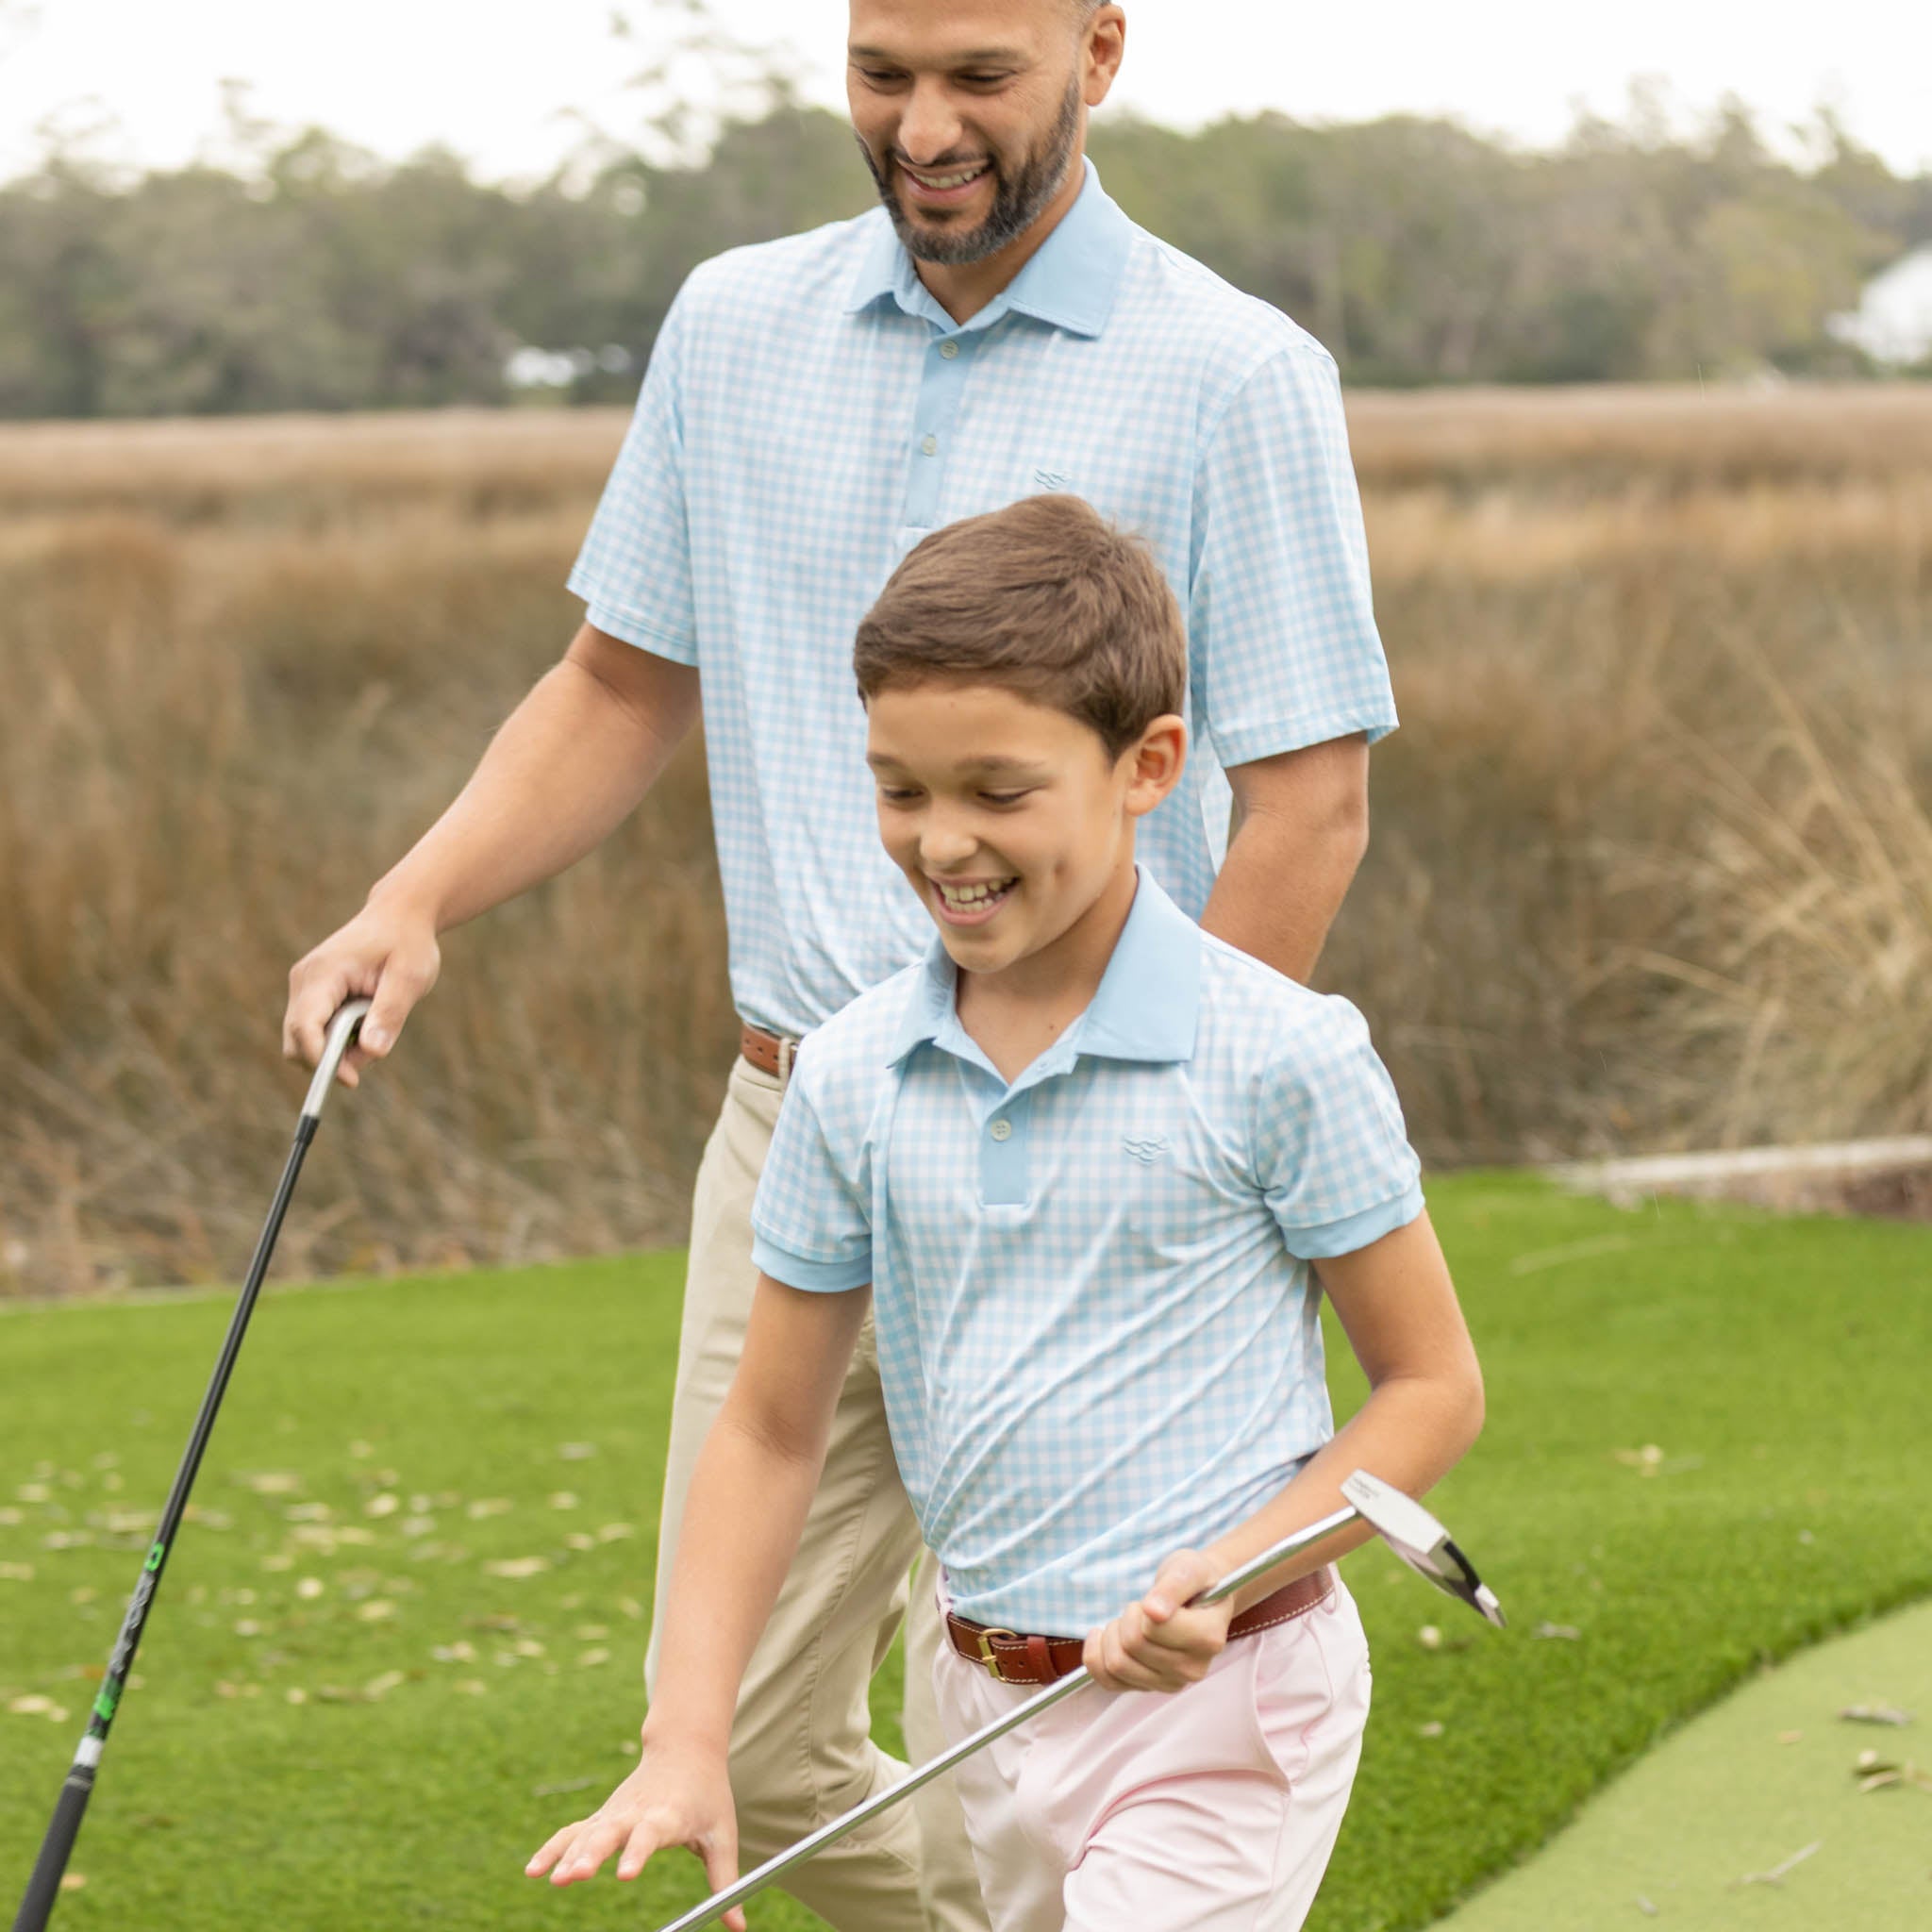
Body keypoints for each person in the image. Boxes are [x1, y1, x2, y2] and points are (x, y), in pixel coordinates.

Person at [283, 6, 1399, 1926]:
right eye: (884, 72)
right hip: (800, 1120)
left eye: (980, 75)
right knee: (753, 1738)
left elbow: (1307, 805)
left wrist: (1154, 1114)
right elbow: (618, 682)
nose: (925, 125)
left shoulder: (1236, 375)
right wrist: (418, 895)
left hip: (1118, 1173)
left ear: (1099, 52)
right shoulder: (731, 325)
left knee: (1104, 1671)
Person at [525, 495, 1485, 1931]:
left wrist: (1234, 1569)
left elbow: (1432, 1389)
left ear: (1148, 765)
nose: (942, 842)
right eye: (900, 791)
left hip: (1222, 1707)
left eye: (998, 790)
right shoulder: (848, 1072)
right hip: (978, 1704)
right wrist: (686, 1740)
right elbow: (769, 1429)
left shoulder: (1281, 1050)